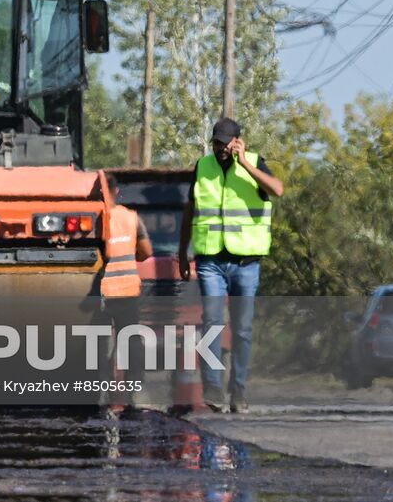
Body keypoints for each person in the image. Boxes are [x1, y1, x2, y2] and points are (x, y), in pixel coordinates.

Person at [179, 116, 285, 414]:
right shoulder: (203, 167)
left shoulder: (254, 162)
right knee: (211, 322)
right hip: (210, 259)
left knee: (242, 329)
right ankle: (212, 388)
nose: (220, 148)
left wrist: (246, 166)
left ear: (238, 142)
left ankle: (238, 391)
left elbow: (278, 190)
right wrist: (181, 252)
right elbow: (191, 210)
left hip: (246, 262)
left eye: (226, 143)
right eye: (216, 142)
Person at [101, 183, 154, 408]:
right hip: (128, 291)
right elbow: (146, 252)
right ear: (115, 191)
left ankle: (102, 395)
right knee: (132, 342)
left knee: (101, 346)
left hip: (101, 293)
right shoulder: (131, 218)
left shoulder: (95, 218)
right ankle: (136, 393)